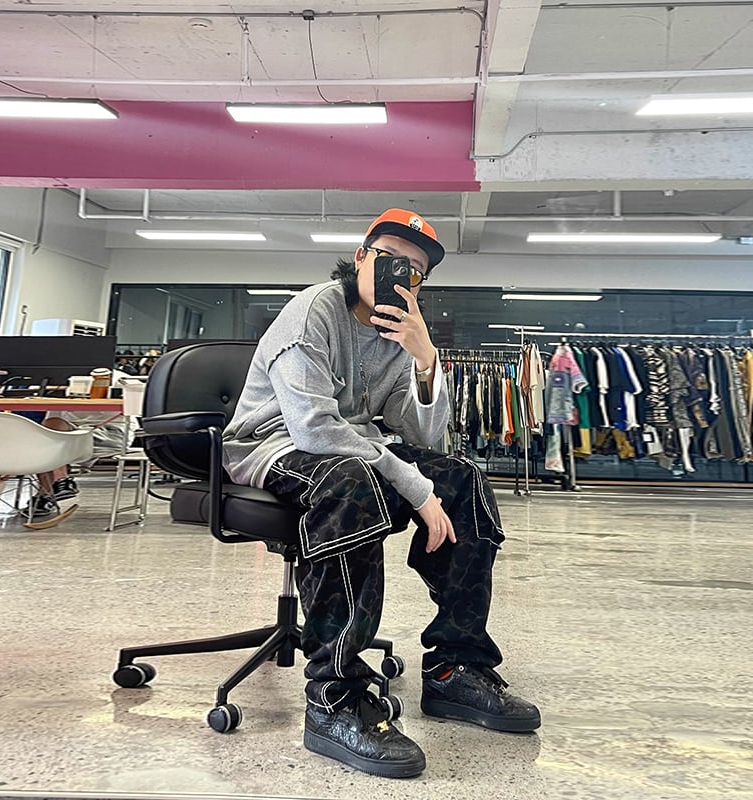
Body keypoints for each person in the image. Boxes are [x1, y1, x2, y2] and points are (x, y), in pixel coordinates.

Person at [222, 209, 540, 779]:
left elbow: (423, 436)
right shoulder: (313, 311)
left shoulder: (398, 331)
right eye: (389, 258)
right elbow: (314, 431)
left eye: (414, 270)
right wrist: (414, 488)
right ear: (361, 258)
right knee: (351, 482)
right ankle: (334, 696)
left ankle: (455, 668)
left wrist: (426, 360)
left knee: (462, 479)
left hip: (357, 454)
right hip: (271, 447)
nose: (400, 273)